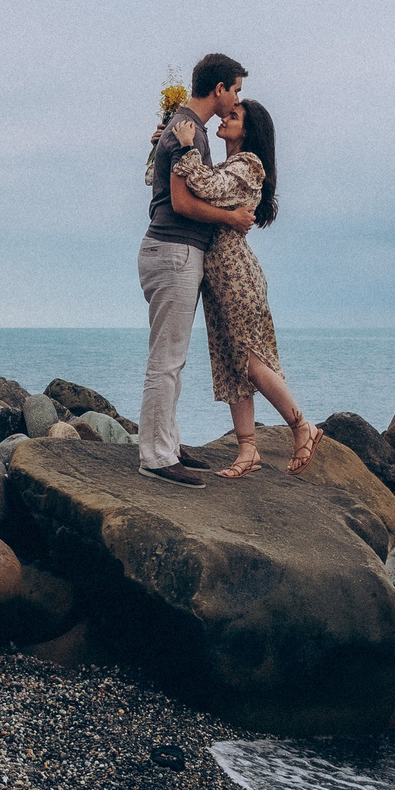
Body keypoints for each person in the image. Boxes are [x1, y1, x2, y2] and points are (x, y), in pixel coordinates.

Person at [175, 98, 322, 478]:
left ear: (248, 130)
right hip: (217, 277)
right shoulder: (228, 165)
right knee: (230, 363)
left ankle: (301, 426)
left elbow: (206, 187)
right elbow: (181, 181)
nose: (224, 118)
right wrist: (166, 144)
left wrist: (187, 147)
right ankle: (248, 450)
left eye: (233, 116)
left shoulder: (249, 164)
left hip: (236, 274)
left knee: (250, 361)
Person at [137, 53, 255, 486]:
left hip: (174, 252)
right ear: (219, 88)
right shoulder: (188, 131)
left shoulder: (187, 128)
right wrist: (232, 218)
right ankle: (156, 457)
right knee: (166, 361)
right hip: (175, 252)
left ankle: (167, 443)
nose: (236, 99)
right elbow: (182, 202)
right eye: (235, 90)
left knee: (173, 359)